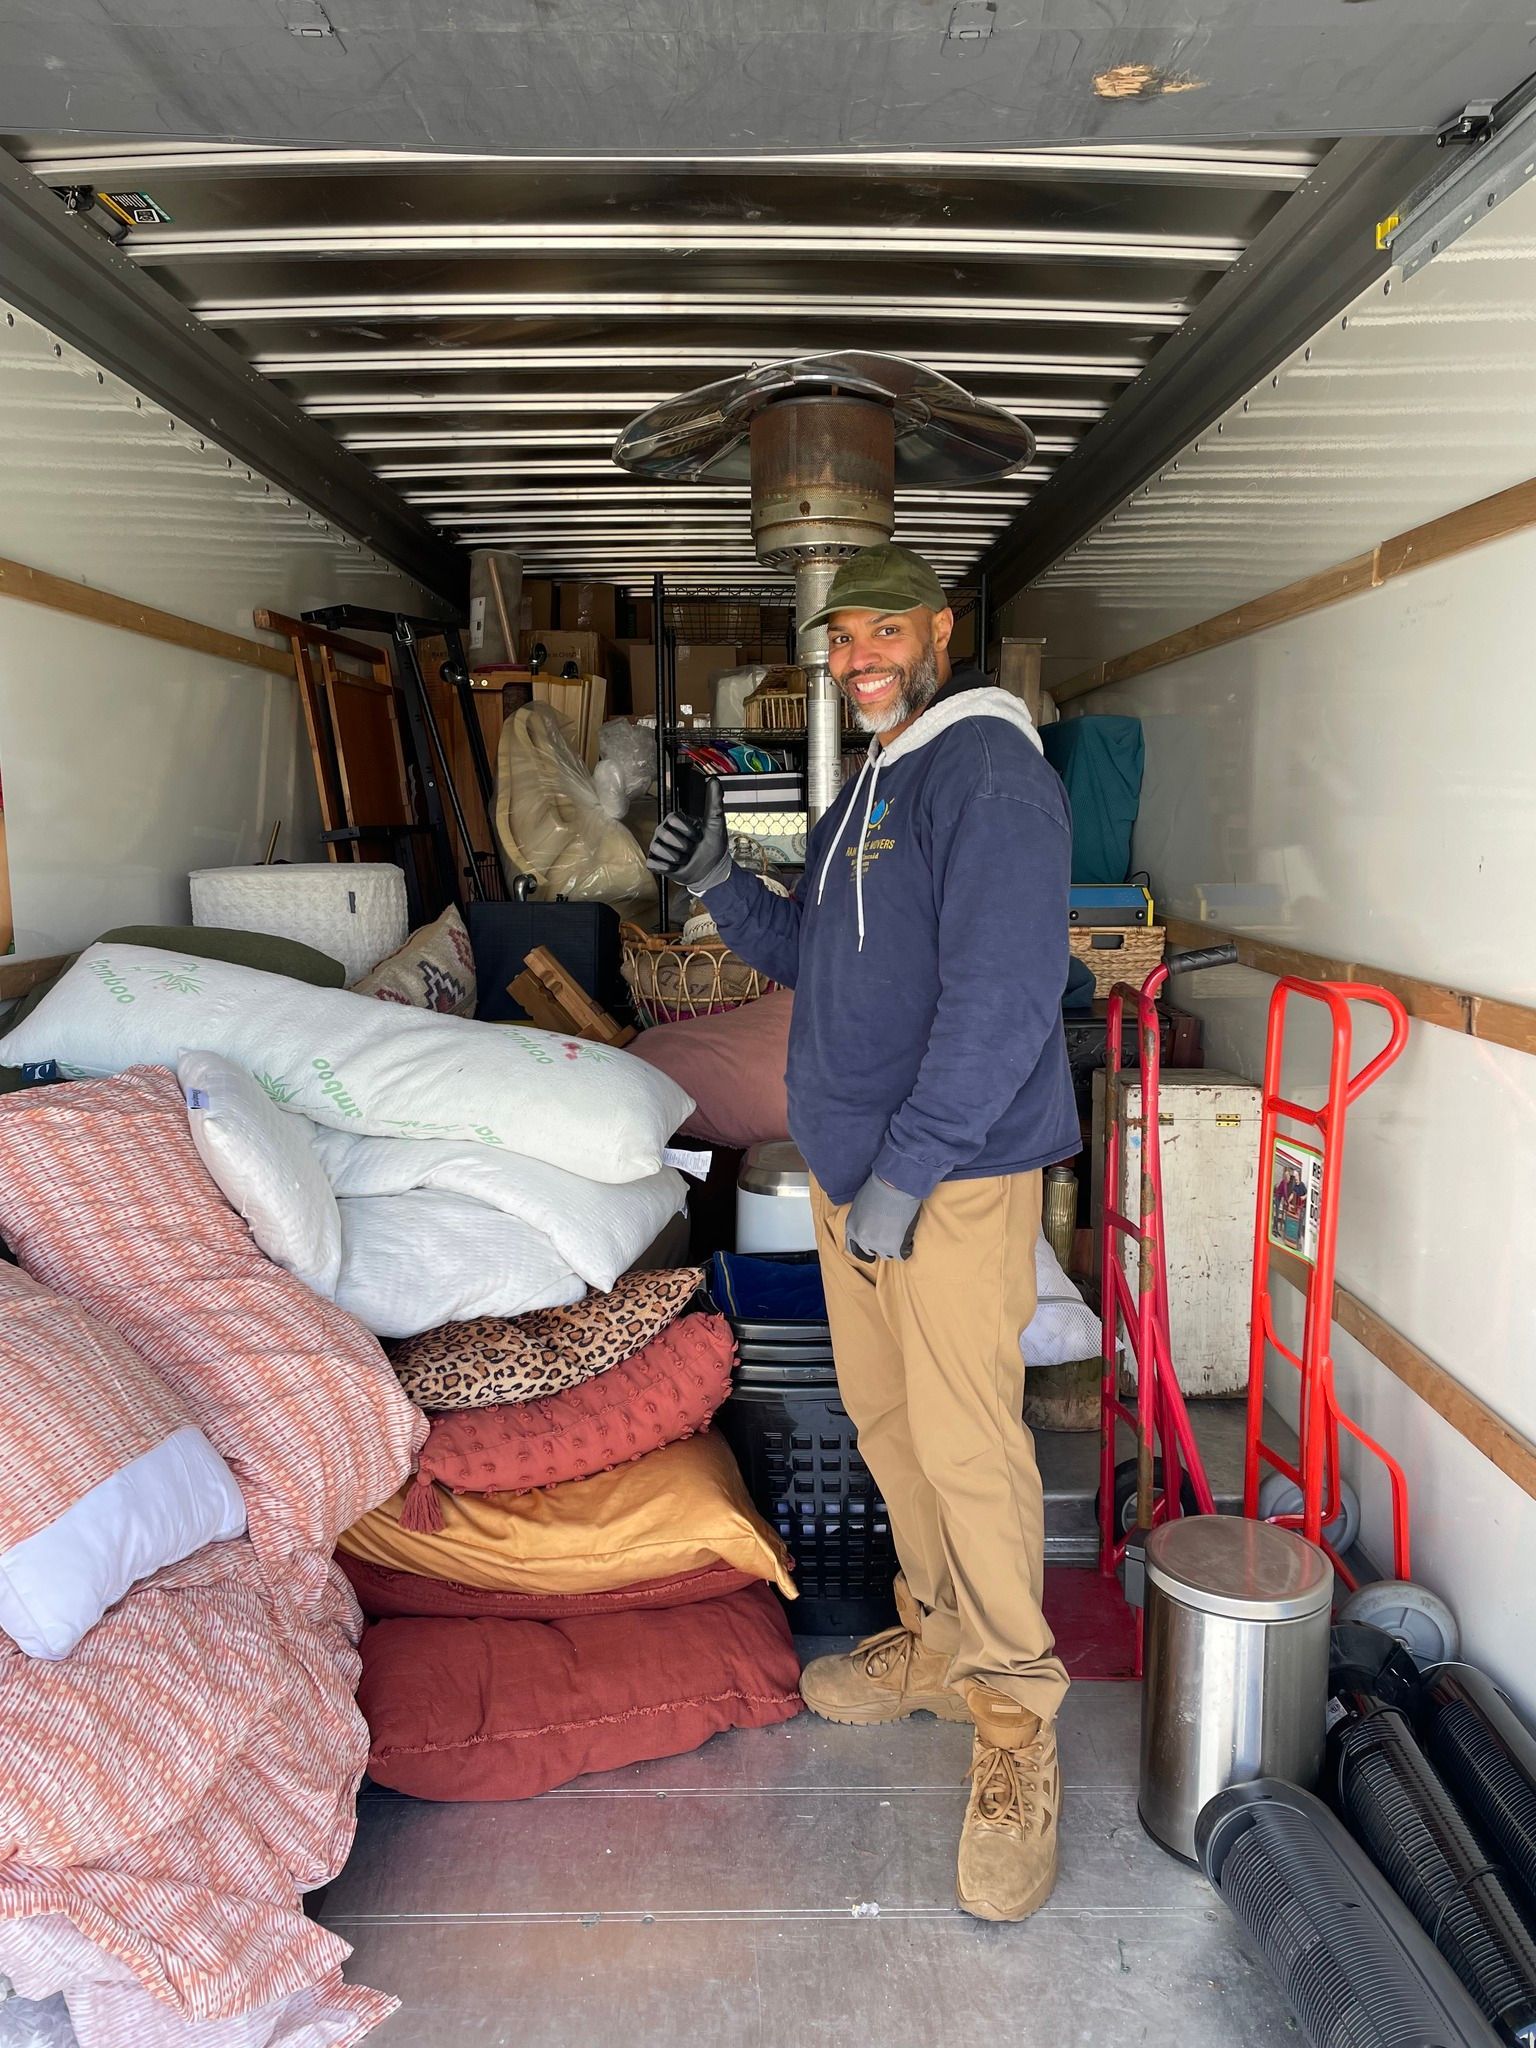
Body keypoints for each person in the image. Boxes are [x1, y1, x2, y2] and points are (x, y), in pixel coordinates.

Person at [647, 542, 1078, 1924]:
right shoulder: (871, 787)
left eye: (885, 631)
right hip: (857, 1177)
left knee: (967, 1442)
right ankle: (939, 1641)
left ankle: (1015, 1724)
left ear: (941, 630)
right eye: (842, 640)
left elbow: (1006, 998)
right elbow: (812, 958)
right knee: (893, 1429)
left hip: (943, 1178)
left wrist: (910, 1166)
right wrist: (724, 877)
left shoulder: (989, 771)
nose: (860, 659)